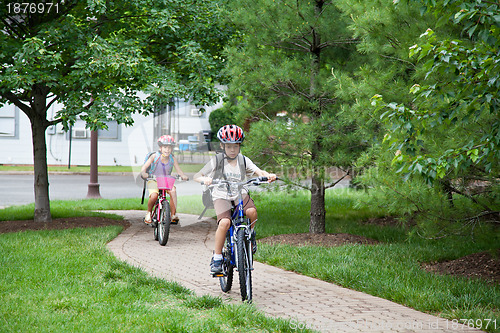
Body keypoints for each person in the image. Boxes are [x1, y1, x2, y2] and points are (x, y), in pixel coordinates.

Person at [194, 125, 276, 274]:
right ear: (222, 145)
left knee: (251, 212)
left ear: (239, 145)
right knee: (225, 222)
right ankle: (217, 257)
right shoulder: (217, 161)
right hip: (221, 196)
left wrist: (268, 175)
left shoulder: (243, 160)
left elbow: (259, 171)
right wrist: (205, 179)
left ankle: (250, 235)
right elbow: (197, 176)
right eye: (229, 146)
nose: (232, 149)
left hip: (240, 194)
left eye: (236, 146)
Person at [141, 135, 189, 224]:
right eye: (165, 147)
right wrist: (144, 173)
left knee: (173, 191)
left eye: (169, 147)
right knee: (154, 195)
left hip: (166, 180)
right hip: (153, 179)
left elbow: (179, 171)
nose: (167, 150)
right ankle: (148, 212)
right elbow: (144, 168)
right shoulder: (154, 156)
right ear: (160, 147)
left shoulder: (172, 158)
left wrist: (183, 176)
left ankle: (173, 215)